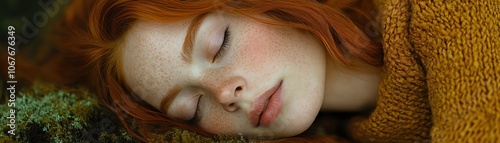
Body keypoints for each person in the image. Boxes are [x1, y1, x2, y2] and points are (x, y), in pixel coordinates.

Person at [48, 0, 500, 142]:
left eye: (218, 43)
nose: (225, 93)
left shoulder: (446, 11)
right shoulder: (344, 131)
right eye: (192, 108)